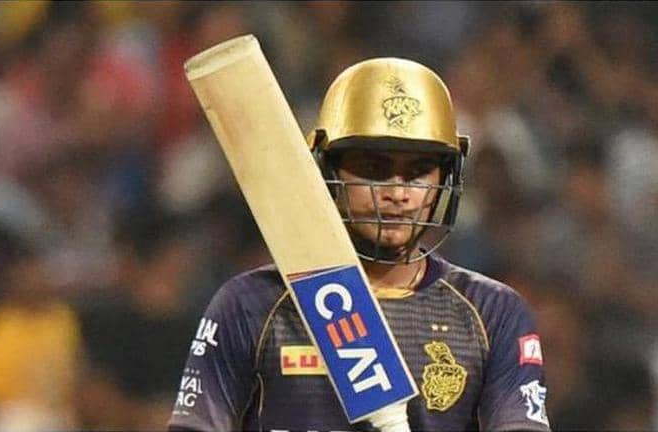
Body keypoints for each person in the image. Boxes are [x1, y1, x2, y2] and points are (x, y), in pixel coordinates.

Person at [168, 58, 550, 431]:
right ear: (325, 170)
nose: (398, 193)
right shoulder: (250, 305)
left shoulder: (491, 313)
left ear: (445, 179)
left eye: (419, 172)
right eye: (373, 170)